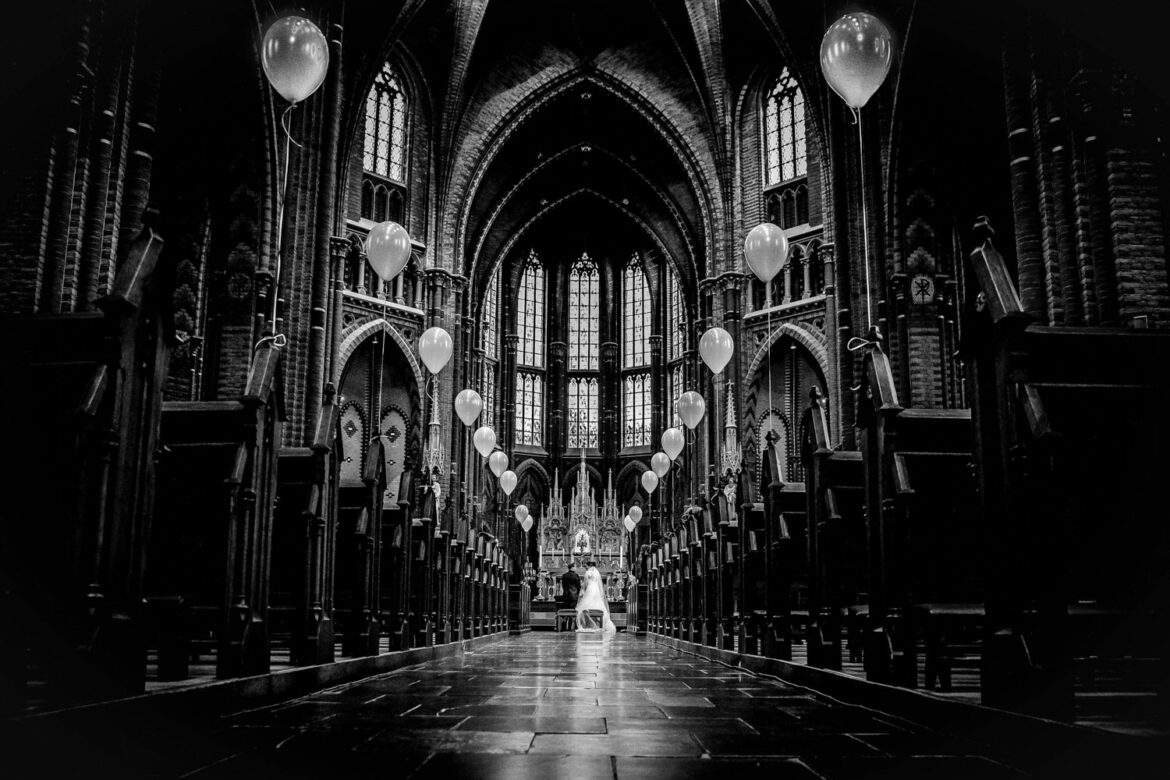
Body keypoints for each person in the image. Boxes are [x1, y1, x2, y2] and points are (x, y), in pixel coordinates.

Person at [575, 561, 616, 633]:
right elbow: (599, 584)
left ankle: (587, 624)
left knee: (586, 607)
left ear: (589, 566)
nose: (585, 568)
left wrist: (583, 591)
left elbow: (585, 583)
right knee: (597, 603)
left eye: (586, 566)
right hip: (596, 589)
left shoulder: (588, 573)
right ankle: (599, 623)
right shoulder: (597, 573)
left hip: (590, 589)